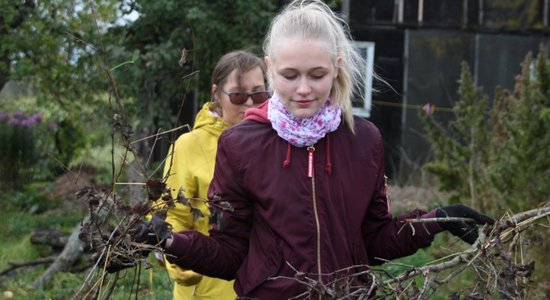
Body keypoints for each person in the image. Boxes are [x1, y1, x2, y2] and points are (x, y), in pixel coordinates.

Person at [120, 1, 494, 299]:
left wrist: (435, 220)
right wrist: (169, 240)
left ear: (336, 68)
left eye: (317, 75)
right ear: (270, 69)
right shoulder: (240, 145)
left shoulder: (364, 140)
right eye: (289, 75)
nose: (303, 89)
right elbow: (231, 254)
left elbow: (373, 240)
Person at [158, 50, 269, 300]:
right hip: (209, 289)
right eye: (238, 95)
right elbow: (171, 215)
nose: (250, 104)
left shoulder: (277, 144)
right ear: (216, 93)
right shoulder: (189, 146)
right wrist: (182, 264)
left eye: (259, 94)